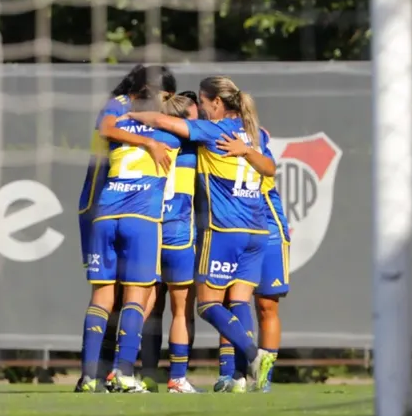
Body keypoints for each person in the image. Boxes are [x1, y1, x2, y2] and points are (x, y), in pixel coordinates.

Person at [126, 76, 277, 391]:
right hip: (258, 231)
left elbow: (160, 120)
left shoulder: (214, 130)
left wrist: (129, 116)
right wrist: (248, 152)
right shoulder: (257, 134)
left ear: (217, 103)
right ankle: (240, 379)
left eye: (206, 105)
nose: (204, 112)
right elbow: (270, 169)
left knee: (207, 305)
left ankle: (252, 354)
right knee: (238, 303)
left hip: (225, 230)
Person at [75, 65, 175, 393]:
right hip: (140, 217)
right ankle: (123, 373)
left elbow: (108, 129)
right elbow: (106, 127)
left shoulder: (123, 121)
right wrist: (151, 142)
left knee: (102, 297)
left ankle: (90, 375)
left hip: (106, 212)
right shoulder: (154, 124)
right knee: (136, 295)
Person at [214, 126, 289, 393]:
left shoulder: (256, 138)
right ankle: (232, 375)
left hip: (269, 231)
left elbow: (268, 157)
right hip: (235, 228)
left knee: (267, 307)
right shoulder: (215, 140)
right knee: (228, 302)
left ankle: (263, 378)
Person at [138, 91, 202, 394]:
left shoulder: (146, 142)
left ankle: (137, 373)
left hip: (150, 228)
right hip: (178, 232)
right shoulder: (193, 146)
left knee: (147, 307)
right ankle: (178, 377)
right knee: (182, 309)